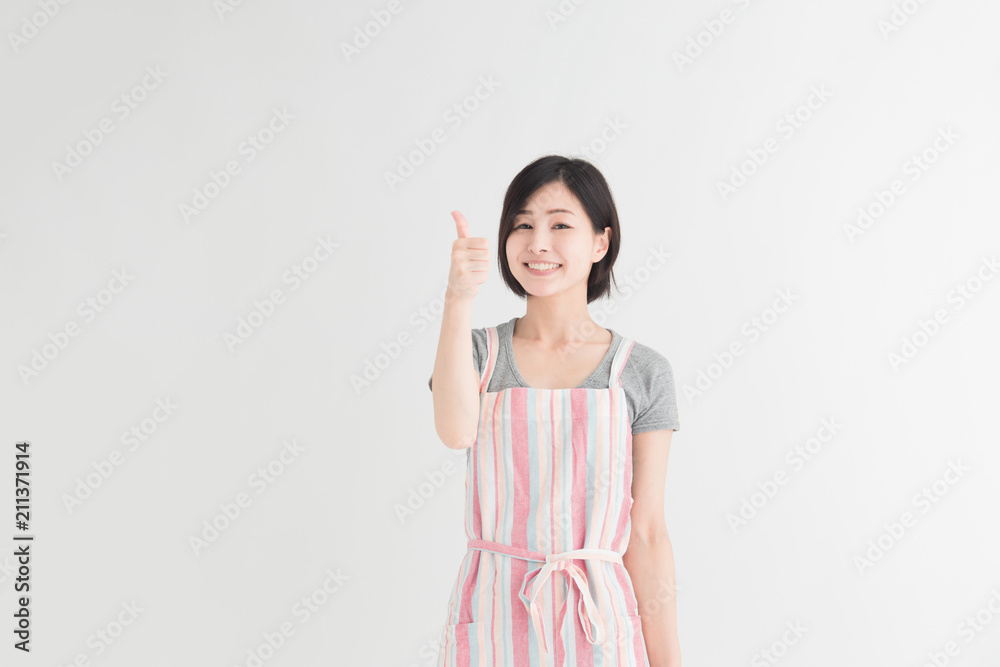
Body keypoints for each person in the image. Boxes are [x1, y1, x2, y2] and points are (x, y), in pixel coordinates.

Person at [428, 155, 681, 666]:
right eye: (522, 225)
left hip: (600, 624)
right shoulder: (477, 353)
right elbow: (455, 433)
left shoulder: (641, 371)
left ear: (600, 243)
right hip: (495, 619)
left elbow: (648, 531)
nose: (537, 242)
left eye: (560, 225)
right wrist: (457, 299)